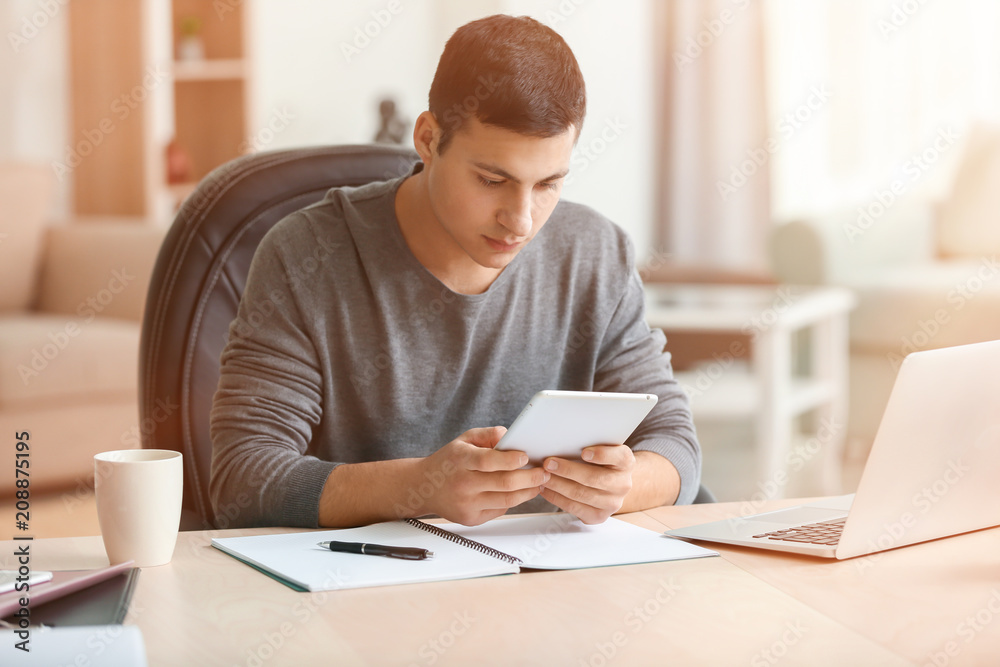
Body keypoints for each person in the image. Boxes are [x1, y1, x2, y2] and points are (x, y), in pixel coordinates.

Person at [209, 14, 701, 529]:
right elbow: (242, 482)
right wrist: (420, 487)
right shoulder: (306, 256)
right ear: (428, 138)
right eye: (492, 180)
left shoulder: (595, 253)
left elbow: (675, 446)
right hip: (371, 587)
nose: (521, 219)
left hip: (547, 583)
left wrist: (622, 486)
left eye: (548, 184)